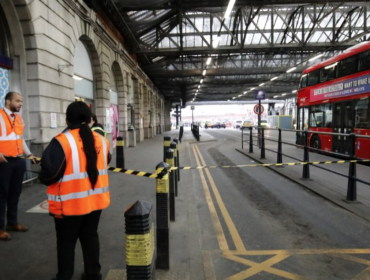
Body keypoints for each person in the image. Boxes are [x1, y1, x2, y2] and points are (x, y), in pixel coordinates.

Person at [38, 101, 111, 280]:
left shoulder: (62, 141)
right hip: (95, 201)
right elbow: (105, 161)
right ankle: (93, 274)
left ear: (67, 119)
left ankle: (64, 276)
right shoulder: (102, 140)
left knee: (66, 242)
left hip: (69, 205)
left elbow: (49, 175)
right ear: (89, 119)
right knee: (90, 237)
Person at [0, 91, 36, 241]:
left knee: (15, 193)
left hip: (19, 160)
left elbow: (20, 140)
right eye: (17, 101)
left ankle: (12, 222)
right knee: (1, 195)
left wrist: (29, 154)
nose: (20, 104)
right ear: (8, 101)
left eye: (21, 101)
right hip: (3, 162)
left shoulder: (19, 118)